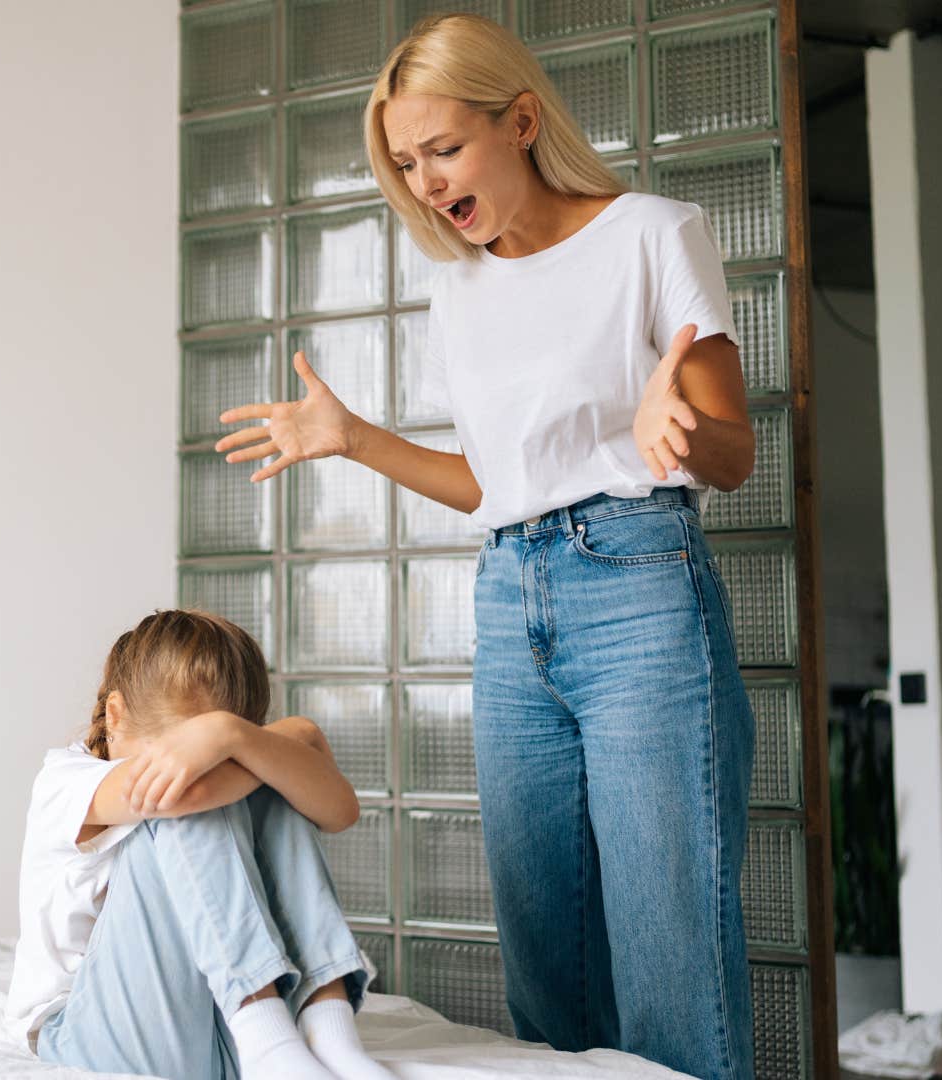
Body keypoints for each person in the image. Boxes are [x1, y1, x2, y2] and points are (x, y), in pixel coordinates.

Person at [213, 14, 757, 1080]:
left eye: (443, 151)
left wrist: (682, 433)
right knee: (545, 957)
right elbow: (495, 485)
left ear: (519, 121)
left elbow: (733, 451)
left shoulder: (653, 232)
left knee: (667, 948)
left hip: (639, 579)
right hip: (511, 598)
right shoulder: (459, 288)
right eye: (406, 164)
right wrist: (353, 439)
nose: (425, 183)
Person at [5, 609, 393, 1080]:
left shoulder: (232, 745)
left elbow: (340, 811)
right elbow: (185, 794)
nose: (212, 752)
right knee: (183, 794)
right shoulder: (63, 782)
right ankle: (264, 1031)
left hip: (217, 1028)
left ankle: (329, 1032)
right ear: (114, 716)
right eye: (186, 744)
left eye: (230, 735)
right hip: (95, 1034)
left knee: (273, 781)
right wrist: (283, 736)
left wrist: (232, 738)